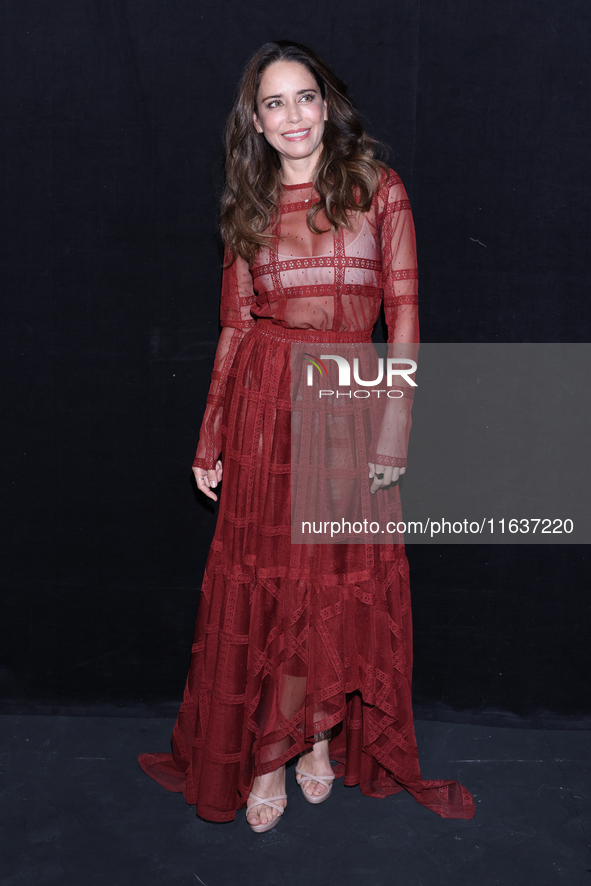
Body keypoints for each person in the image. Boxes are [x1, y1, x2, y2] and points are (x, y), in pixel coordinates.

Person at [138, 40, 475, 832]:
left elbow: (405, 318)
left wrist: (394, 432)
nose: (292, 116)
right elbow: (231, 327)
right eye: (273, 103)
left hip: (348, 406)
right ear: (254, 122)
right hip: (265, 404)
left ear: (329, 104)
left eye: (304, 98)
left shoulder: (376, 190)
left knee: (326, 584)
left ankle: (315, 736)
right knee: (272, 584)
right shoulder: (246, 204)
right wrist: (210, 430)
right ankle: (268, 755)